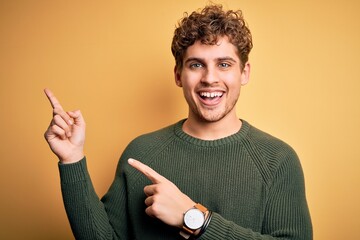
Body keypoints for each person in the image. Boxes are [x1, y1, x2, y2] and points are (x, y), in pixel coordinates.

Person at [44, 4, 312, 240]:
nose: (210, 78)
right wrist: (72, 160)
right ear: (178, 75)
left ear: (244, 72)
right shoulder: (142, 153)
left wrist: (194, 217)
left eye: (224, 64)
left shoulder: (277, 160)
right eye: (196, 65)